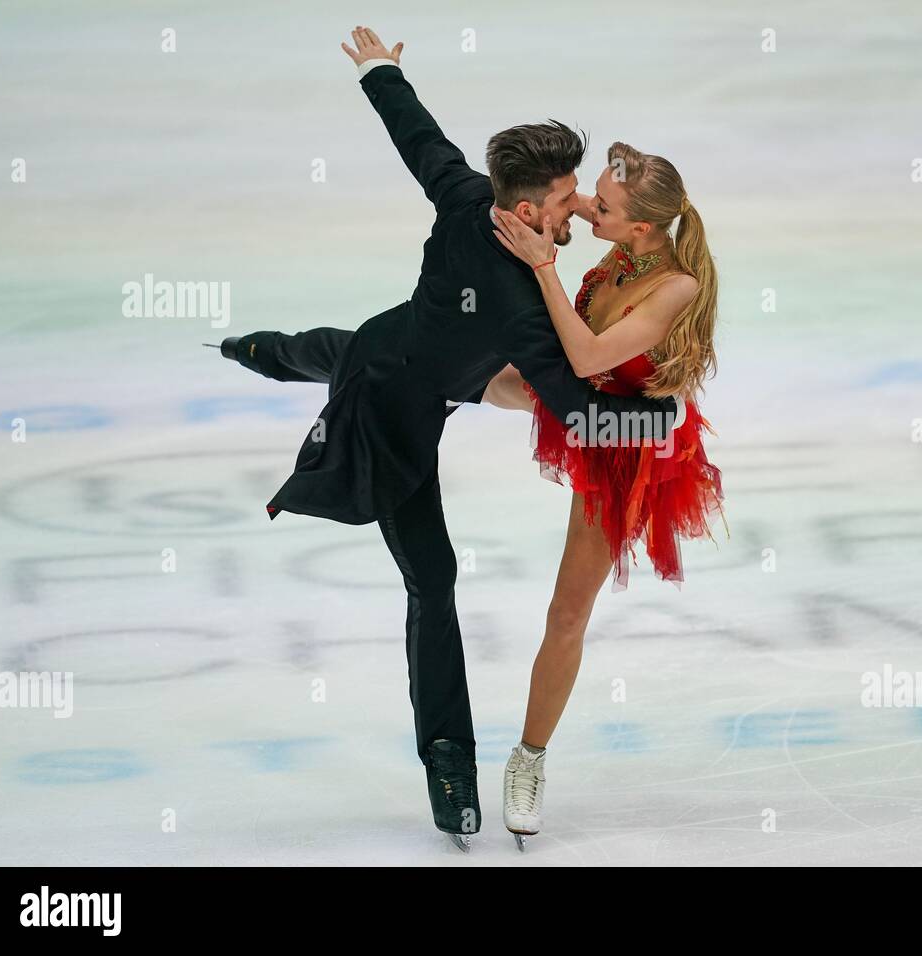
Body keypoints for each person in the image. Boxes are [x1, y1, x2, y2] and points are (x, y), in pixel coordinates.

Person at [214, 26, 682, 851]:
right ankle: (449, 766)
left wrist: (382, 69)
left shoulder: (470, 195)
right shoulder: (523, 306)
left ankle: (261, 348)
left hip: (417, 349)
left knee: (339, 346)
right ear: (528, 210)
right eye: (569, 196)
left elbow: (417, 134)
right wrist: (660, 419)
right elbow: (579, 414)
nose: (578, 206)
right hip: (397, 409)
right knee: (433, 577)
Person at [480, 143, 724, 848]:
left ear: (641, 230)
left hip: (626, 440)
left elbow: (589, 358)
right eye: (593, 196)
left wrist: (545, 264)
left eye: (603, 206)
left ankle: (528, 759)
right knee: (465, 369)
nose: (590, 206)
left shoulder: (673, 286)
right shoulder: (628, 231)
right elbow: (564, 204)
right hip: (580, 398)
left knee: (565, 612)